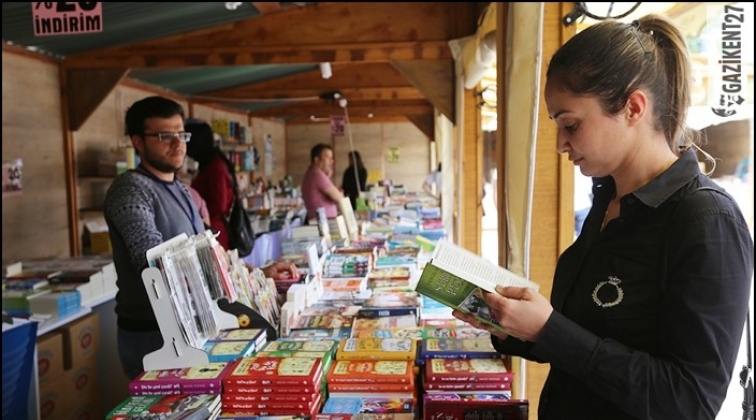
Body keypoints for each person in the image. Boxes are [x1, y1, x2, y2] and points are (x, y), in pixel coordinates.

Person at [453, 15, 753, 420]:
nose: (560, 143)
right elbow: (589, 335)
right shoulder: (608, 198)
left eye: (570, 125)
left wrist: (548, 329)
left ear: (633, 107)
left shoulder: (707, 221)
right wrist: (510, 324)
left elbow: (690, 401)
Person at [104, 96, 296, 380]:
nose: (178, 143)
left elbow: (209, 256)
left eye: (181, 134)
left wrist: (256, 274)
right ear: (137, 141)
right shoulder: (131, 190)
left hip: (196, 327)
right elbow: (152, 264)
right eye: (164, 136)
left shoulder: (182, 190)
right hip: (154, 334)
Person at [184, 121, 236, 251]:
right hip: (206, 227)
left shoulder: (215, 167)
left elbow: (219, 205)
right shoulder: (207, 165)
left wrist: (199, 216)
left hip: (214, 230)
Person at [301, 143, 344, 221]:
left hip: (322, 222)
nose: (332, 161)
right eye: (328, 158)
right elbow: (339, 198)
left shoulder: (313, 173)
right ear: (317, 160)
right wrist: (339, 193)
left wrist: (327, 178)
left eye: (332, 158)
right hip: (323, 224)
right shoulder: (317, 175)